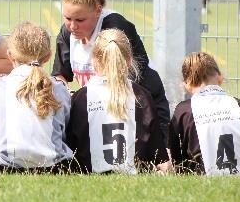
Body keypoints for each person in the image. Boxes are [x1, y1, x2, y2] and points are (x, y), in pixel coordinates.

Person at [52, 0, 171, 142]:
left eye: (80, 20)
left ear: (98, 10)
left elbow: (121, 86)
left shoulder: (114, 26)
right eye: (67, 18)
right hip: (101, 109)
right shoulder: (67, 32)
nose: (72, 26)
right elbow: (60, 75)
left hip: (139, 108)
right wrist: (65, 93)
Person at [67, 29, 169, 174]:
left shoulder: (81, 98)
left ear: (94, 60)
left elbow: (71, 148)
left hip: (90, 179)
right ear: (129, 61)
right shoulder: (142, 96)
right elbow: (157, 155)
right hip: (134, 181)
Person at [0, 22, 72, 172]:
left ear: (10, 55)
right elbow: (63, 128)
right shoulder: (58, 88)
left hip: (5, 166)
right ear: (48, 56)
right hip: (53, 166)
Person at [168, 52, 240, 176]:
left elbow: (175, 160)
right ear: (220, 76)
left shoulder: (183, 111)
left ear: (186, 84)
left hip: (200, 184)